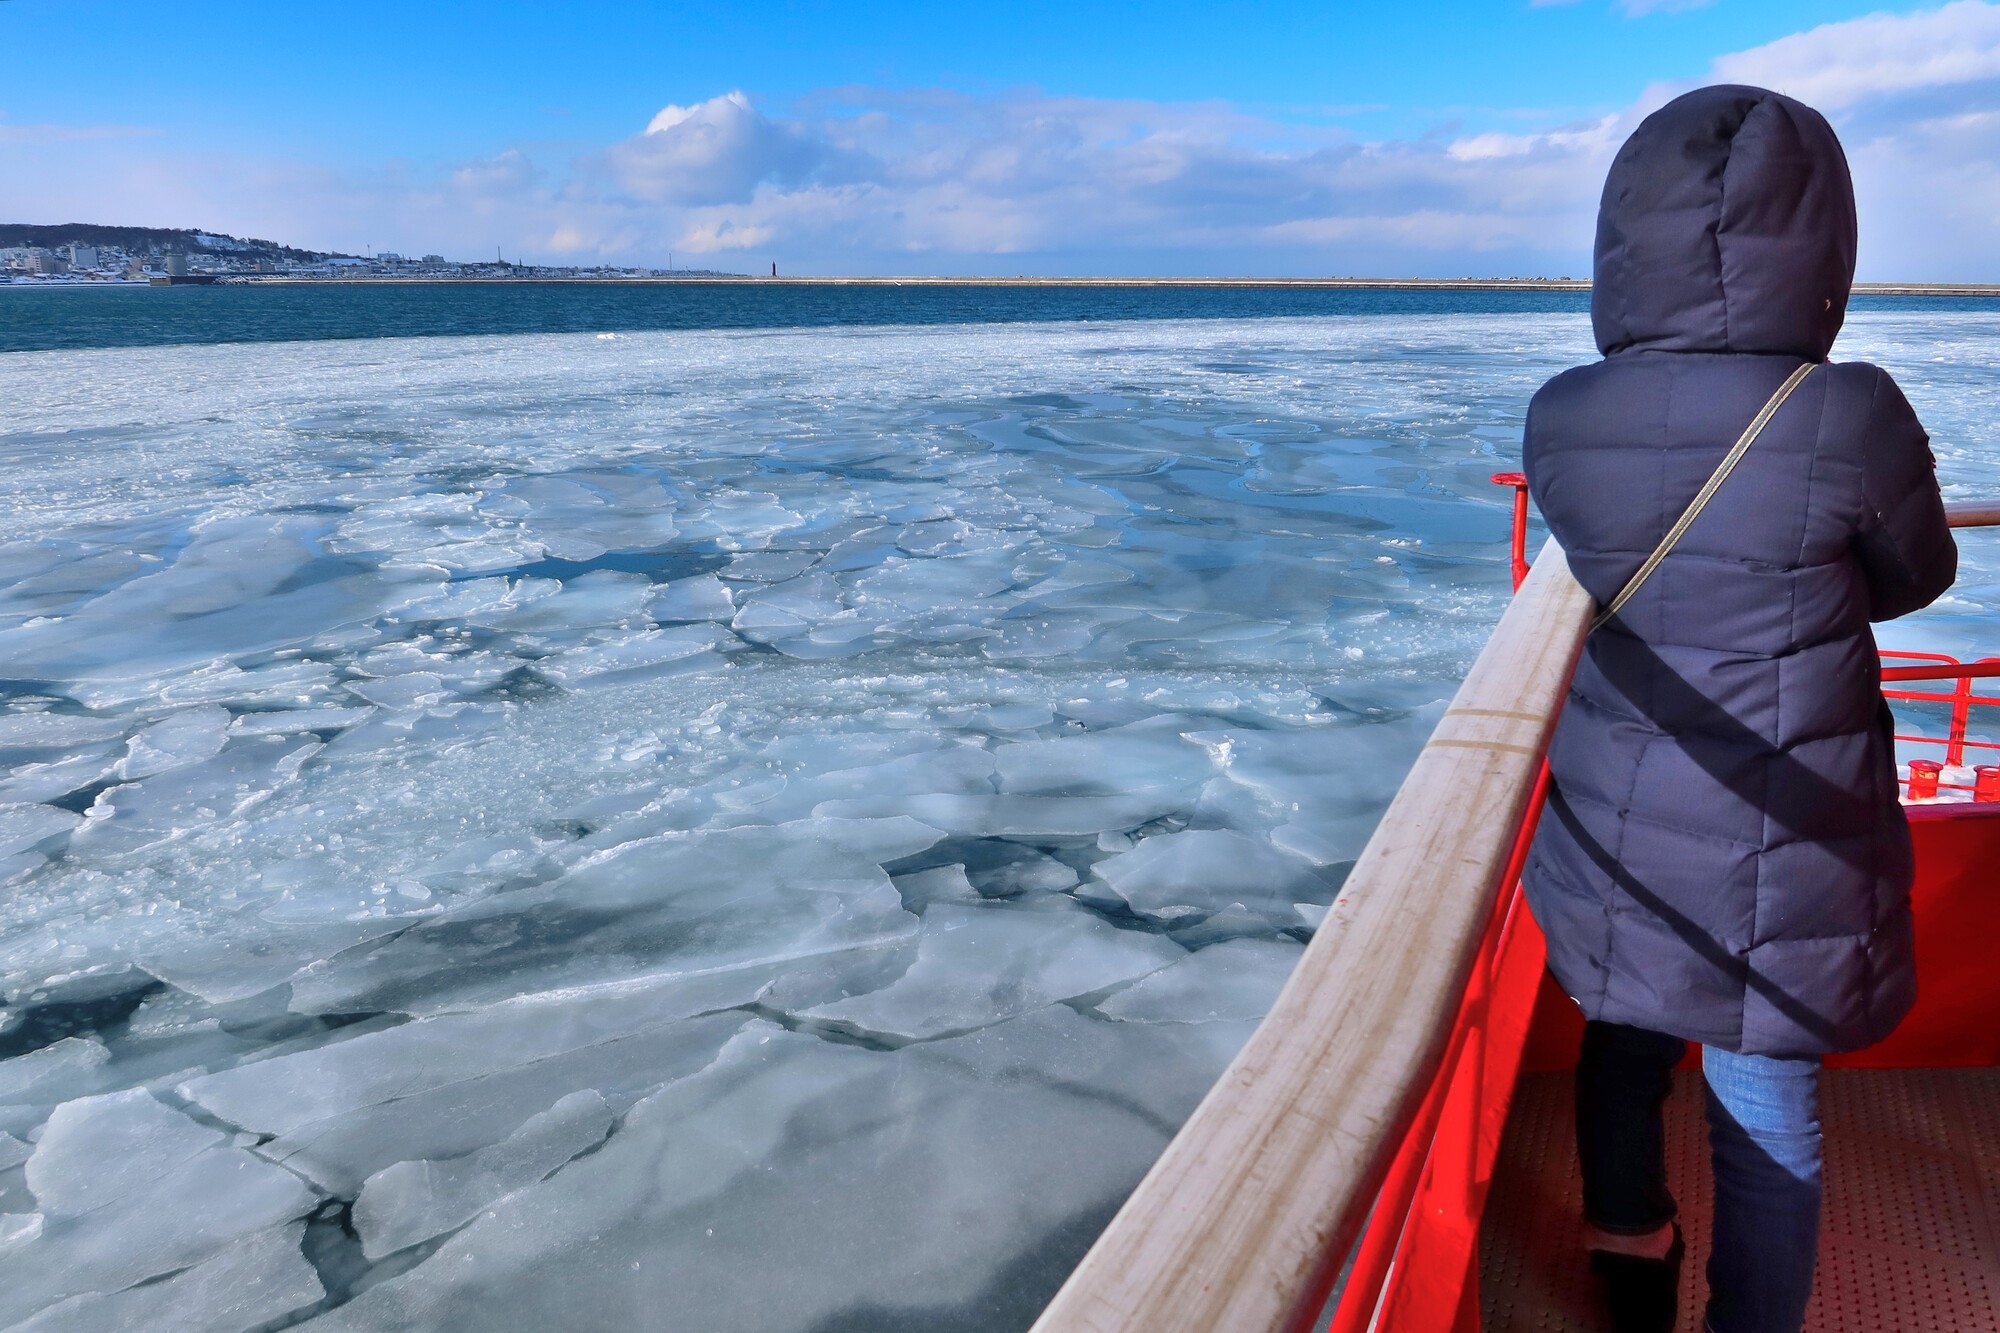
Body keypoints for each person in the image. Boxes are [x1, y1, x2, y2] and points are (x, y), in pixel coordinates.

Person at [1520, 85, 1958, 1333]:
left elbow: (1602, 560)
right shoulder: (1851, 411)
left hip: (1622, 802)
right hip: (1789, 815)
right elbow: (1914, 576)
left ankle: (1626, 1248)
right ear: (1820, 247)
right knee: (1765, 1101)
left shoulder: (1561, 413)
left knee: (1624, 1027)